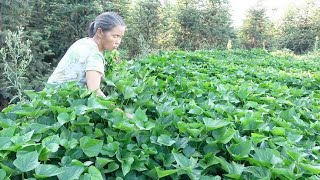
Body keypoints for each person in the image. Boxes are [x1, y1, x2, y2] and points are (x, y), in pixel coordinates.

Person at [47, 12, 126, 98]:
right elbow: (94, 91)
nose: (118, 41)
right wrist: (117, 110)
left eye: (120, 37)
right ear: (99, 32)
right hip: (59, 99)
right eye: (115, 36)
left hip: (47, 96)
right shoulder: (95, 55)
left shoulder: (83, 42)